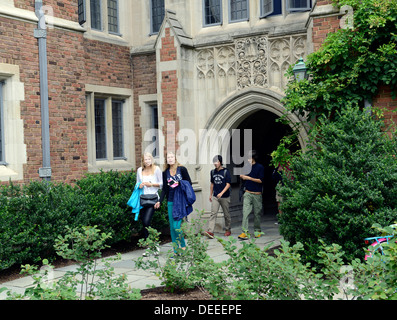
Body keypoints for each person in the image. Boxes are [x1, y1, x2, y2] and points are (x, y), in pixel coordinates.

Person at [155, 152, 192, 253]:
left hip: (180, 201)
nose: (170, 159)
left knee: (176, 226)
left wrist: (178, 183)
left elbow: (189, 183)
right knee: (172, 227)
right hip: (170, 201)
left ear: (175, 158)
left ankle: (183, 246)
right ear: (166, 160)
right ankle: (176, 250)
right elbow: (164, 190)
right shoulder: (165, 172)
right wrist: (159, 201)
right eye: (168, 157)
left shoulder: (182, 169)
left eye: (172, 157)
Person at [238, 150, 264, 240]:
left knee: (257, 213)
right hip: (247, 193)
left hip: (257, 194)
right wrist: (242, 176)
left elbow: (261, 180)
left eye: (249, 158)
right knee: (245, 212)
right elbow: (242, 175)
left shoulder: (260, 167)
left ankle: (257, 230)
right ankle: (244, 232)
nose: (248, 160)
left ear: (253, 158)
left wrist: (249, 178)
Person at [136, 153, 163, 240]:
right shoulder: (139, 170)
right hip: (142, 198)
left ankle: (154, 241)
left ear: (151, 160)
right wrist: (139, 185)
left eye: (149, 159)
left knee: (146, 221)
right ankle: (149, 245)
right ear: (143, 161)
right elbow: (137, 183)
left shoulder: (156, 169)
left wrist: (151, 184)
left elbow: (162, 184)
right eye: (145, 159)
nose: (147, 161)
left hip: (153, 198)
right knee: (144, 223)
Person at [205, 155, 232, 239]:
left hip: (225, 196)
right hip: (215, 197)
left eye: (217, 162)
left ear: (220, 162)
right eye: (214, 162)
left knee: (226, 214)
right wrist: (210, 194)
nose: (215, 164)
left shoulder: (225, 172)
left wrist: (221, 193)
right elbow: (212, 184)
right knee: (213, 213)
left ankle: (228, 229)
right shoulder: (212, 172)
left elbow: (228, 184)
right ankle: (210, 231)